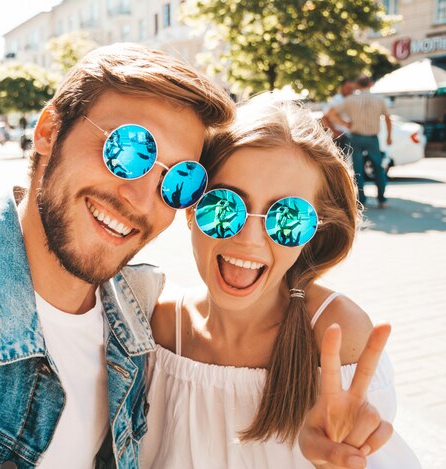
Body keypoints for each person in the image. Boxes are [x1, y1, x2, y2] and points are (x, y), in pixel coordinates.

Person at [0, 44, 395, 469]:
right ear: (47, 132)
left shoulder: (132, 323)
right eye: (127, 150)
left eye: (178, 179)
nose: (141, 196)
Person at [141, 96, 420, 469]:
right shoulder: (158, 329)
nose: (250, 239)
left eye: (287, 217)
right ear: (190, 207)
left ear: (315, 231)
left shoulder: (336, 334)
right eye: (223, 206)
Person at [326, 75, 392, 209]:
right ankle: (381, 199)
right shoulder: (379, 99)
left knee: (358, 169)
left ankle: (362, 200)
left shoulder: (351, 100)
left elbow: (330, 114)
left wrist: (344, 123)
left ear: (357, 85)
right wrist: (389, 136)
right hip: (373, 137)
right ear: (370, 84)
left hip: (356, 136)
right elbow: (388, 118)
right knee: (378, 168)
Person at [321, 79, 355, 156]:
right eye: (348, 88)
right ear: (342, 88)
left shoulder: (349, 99)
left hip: (347, 136)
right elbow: (324, 118)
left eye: (352, 88)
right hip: (339, 137)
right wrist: (335, 133)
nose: (350, 90)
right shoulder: (336, 100)